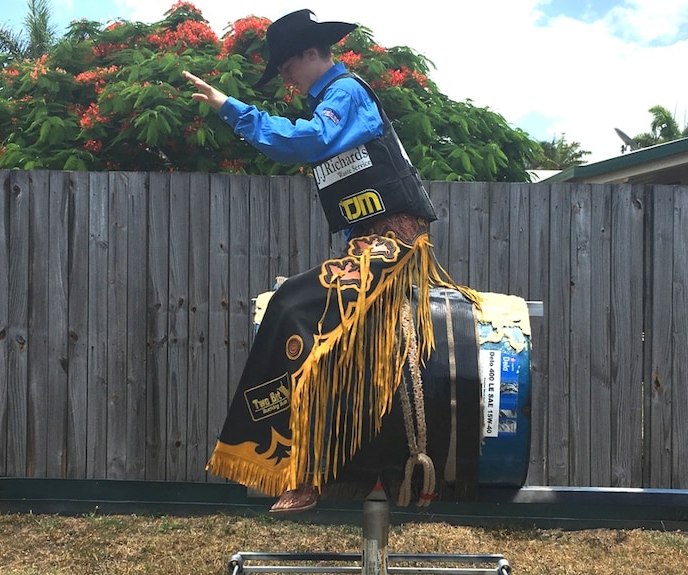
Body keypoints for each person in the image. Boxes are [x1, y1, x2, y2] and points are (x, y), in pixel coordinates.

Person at [186, 8, 482, 514]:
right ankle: (310, 469)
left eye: (285, 68)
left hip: (392, 244)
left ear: (309, 54)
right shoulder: (333, 99)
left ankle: (304, 473)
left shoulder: (345, 94)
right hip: (366, 246)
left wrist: (230, 107)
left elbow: (308, 141)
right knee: (319, 331)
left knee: (294, 306)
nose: (286, 80)